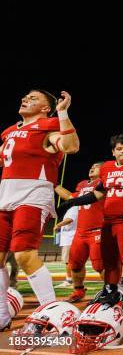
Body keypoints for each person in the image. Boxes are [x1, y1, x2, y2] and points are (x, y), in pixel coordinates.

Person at [0, 89, 80, 329]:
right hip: (5, 194)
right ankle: (2, 316)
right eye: (25, 97)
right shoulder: (9, 132)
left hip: (33, 194)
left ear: (46, 108)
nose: (25, 99)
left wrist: (63, 113)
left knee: (24, 254)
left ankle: (52, 312)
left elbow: (70, 145)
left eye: (33, 98)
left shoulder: (48, 126)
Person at [58, 134, 123, 319]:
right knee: (110, 263)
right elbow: (97, 194)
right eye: (120, 148)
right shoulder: (107, 169)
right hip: (109, 221)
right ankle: (113, 295)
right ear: (113, 151)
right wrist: (74, 202)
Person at [54, 162, 105, 303]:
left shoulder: (104, 182)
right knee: (74, 265)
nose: (92, 167)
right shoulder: (82, 184)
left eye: (96, 166)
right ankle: (78, 290)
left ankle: (111, 290)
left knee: (99, 265)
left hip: (97, 229)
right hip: (80, 232)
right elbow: (71, 197)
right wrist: (55, 185)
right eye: (92, 165)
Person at [54, 206, 77, 288]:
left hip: (69, 239)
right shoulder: (74, 208)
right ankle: (72, 280)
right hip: (69, 238)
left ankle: (69, 280)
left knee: (68, 261)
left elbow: (70, 219)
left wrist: (58, 225)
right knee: (71, 261)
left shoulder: (73, 208)